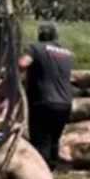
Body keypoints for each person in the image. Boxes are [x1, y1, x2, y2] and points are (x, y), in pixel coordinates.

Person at [19, 22, 73, 169]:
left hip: (43, 101)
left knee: (40, 141)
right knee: (54, 140)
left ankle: (39, 174)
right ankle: (52, 170)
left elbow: (23, 64)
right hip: (65, 102)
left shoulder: (35, 48)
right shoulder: (67, 53)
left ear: (41, 35)